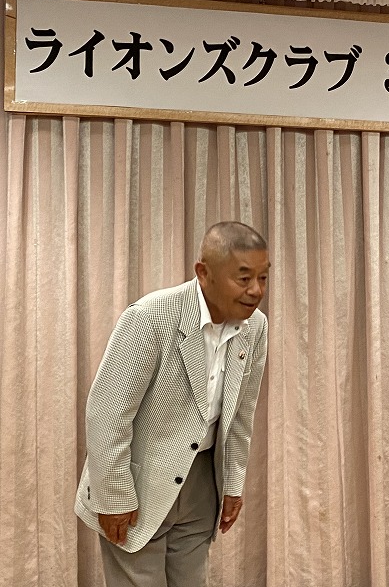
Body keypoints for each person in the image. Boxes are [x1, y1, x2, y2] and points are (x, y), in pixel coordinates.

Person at [75, 221, 270, 587]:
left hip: (202, 482)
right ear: (204, 273)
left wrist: (232, 483)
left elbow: (241, 414)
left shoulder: (255, 326)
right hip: (137, 481)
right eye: (243, 278)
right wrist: (114, 497)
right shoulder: (151, 316)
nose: (256, 291)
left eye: (263, 277)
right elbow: (107, 413)